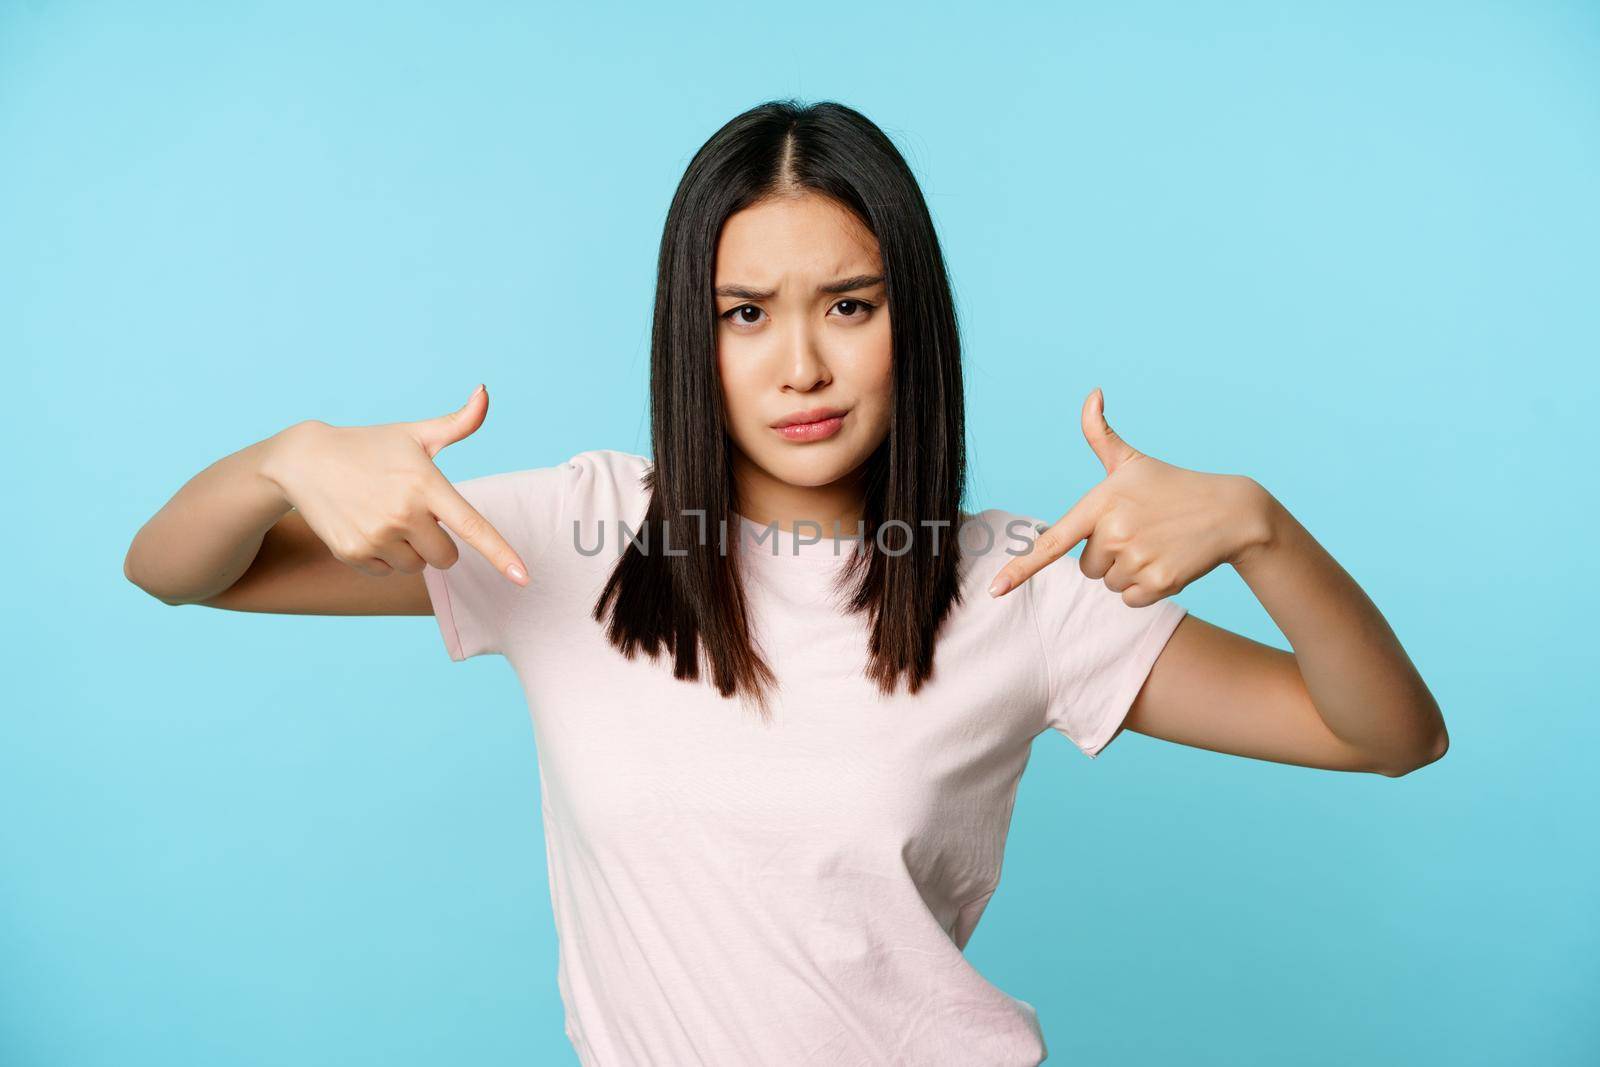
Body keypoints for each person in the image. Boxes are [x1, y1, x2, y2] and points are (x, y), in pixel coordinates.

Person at [123, 99, 1448, 1065]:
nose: (800, 365)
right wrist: (281, 461)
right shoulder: (577, 539)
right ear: (690, 337)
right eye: (747, 313)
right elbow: (185, 572)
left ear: (906, 321)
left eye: (850, 306)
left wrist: (1267, 536)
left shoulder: (1018, 582)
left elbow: (1388, 736)